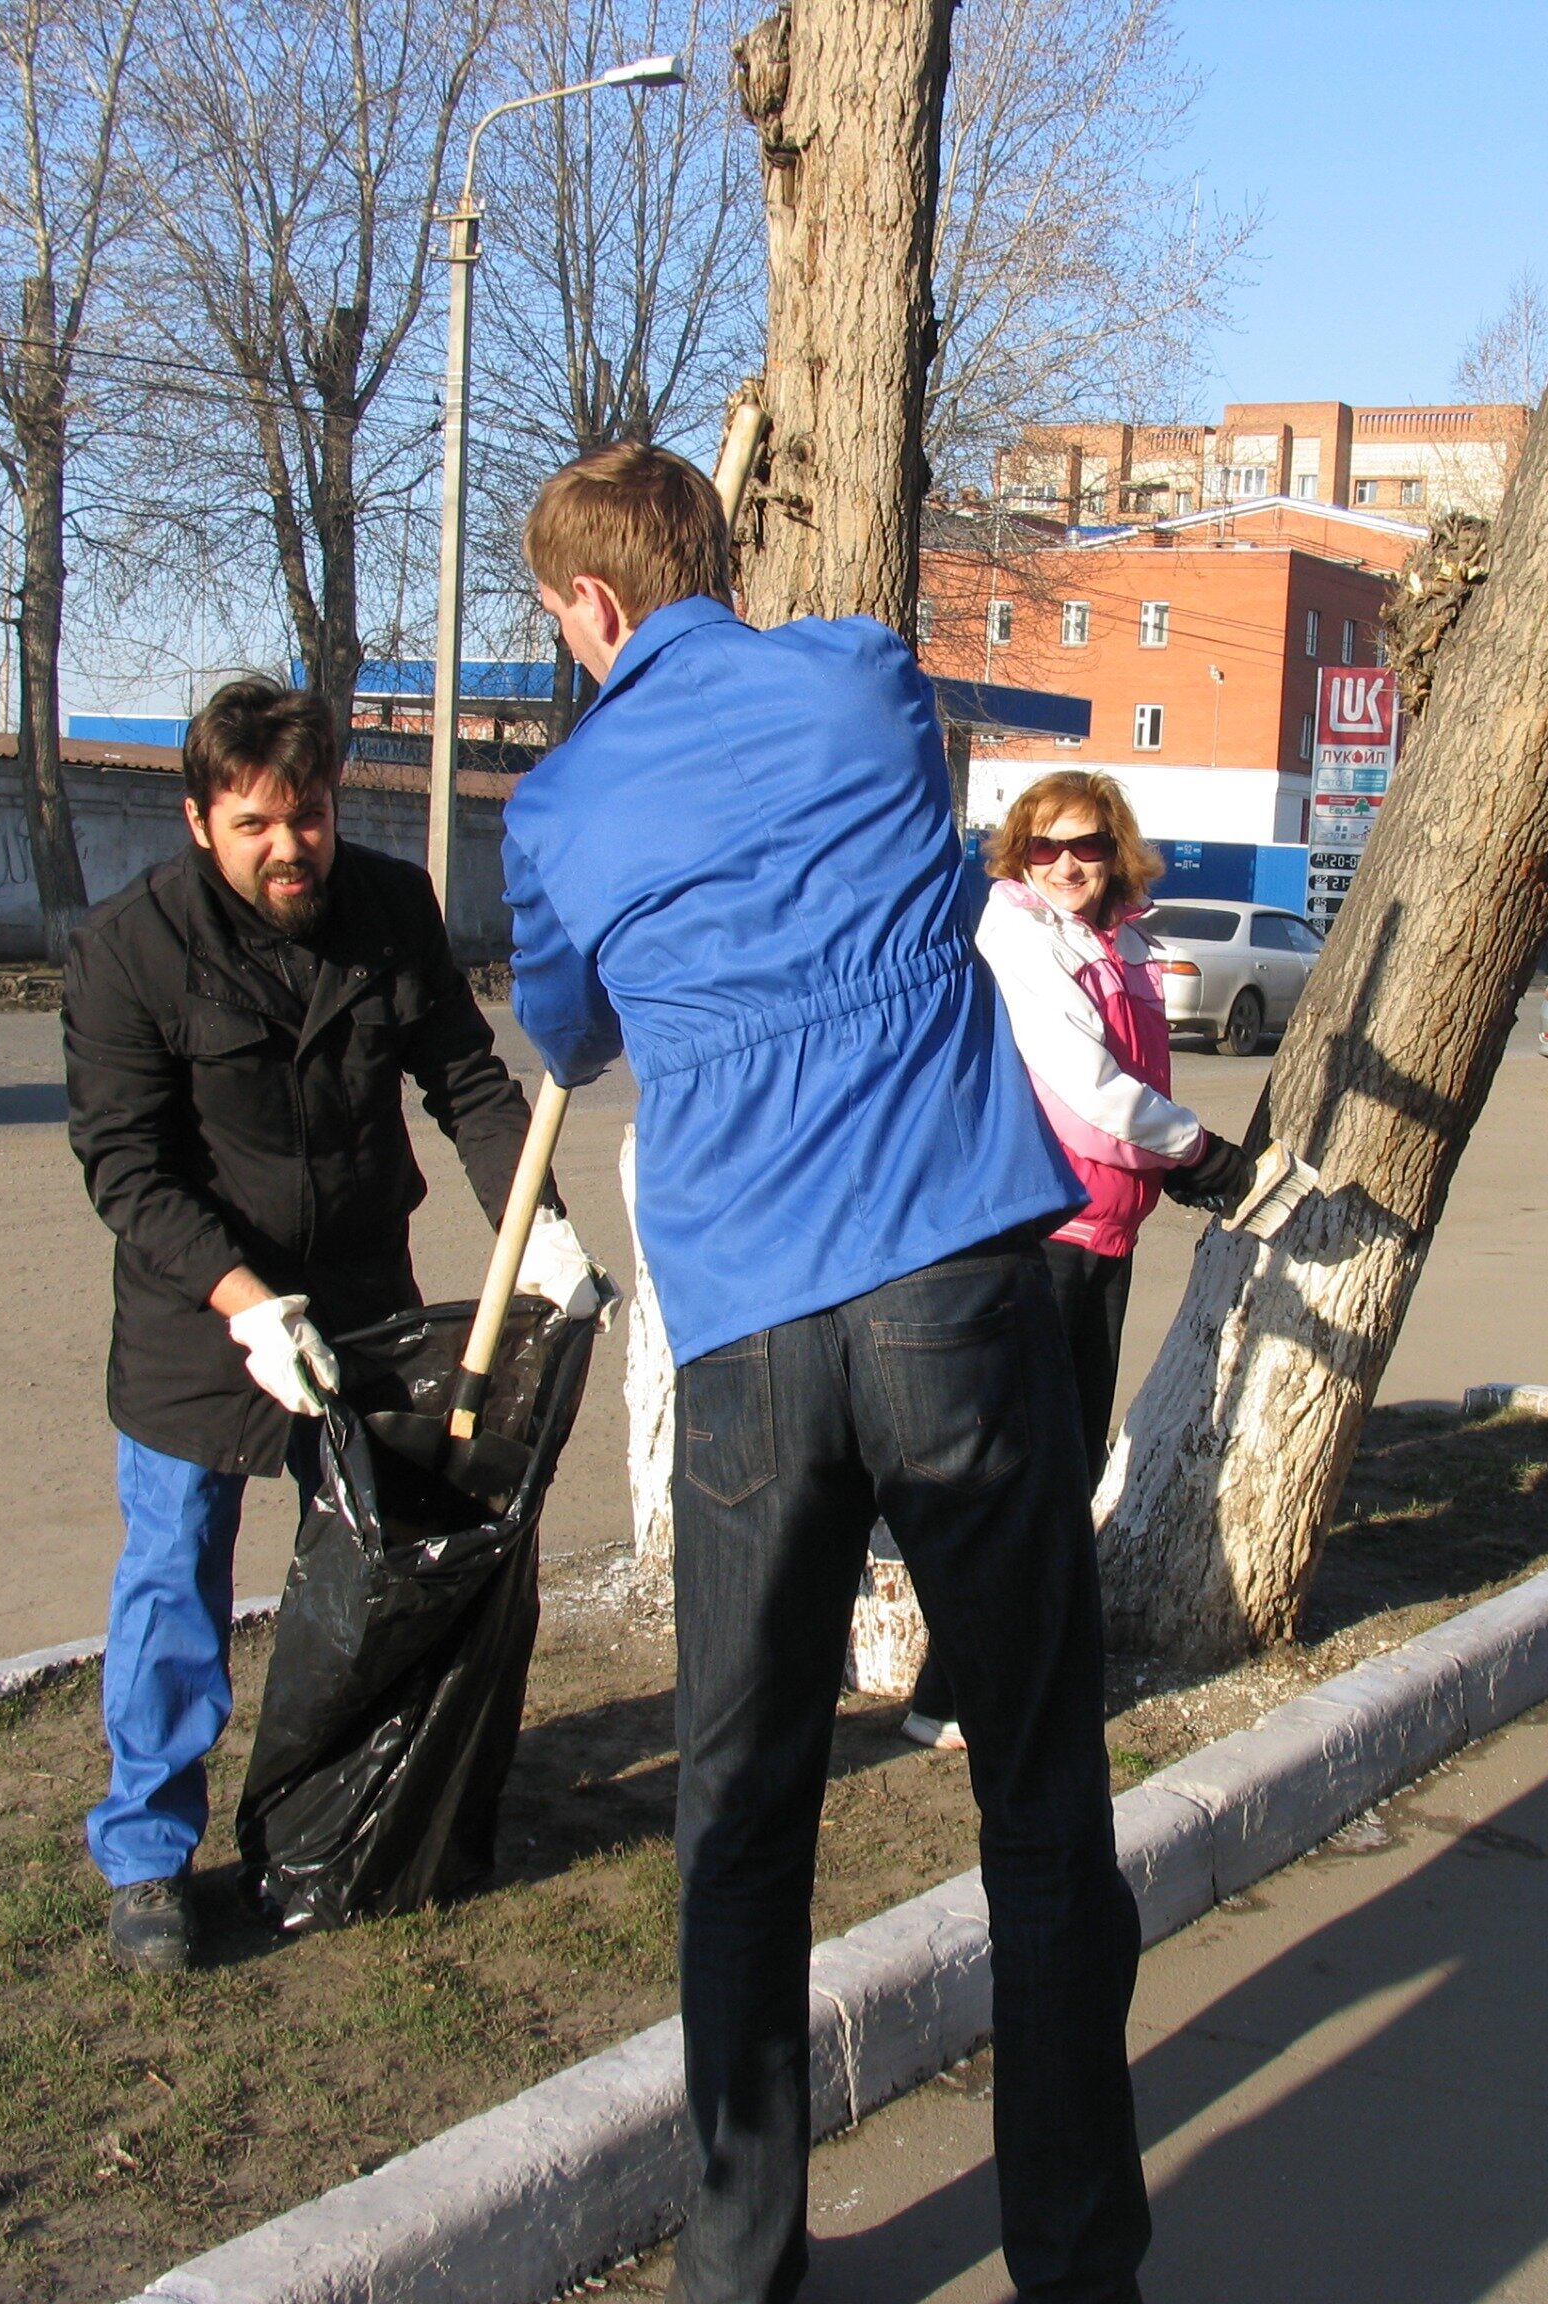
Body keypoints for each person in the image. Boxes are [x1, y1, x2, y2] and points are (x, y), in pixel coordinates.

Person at [499, 443, 1148, 2304]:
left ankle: (738, 2258)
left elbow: (566, 1025)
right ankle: (1078, 2260)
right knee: (1035, 1786)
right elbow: (922, 870)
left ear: (594, 608)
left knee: (743, 1802)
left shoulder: (559, 805)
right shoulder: (866, 678)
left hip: (755, 1341)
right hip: (952, 1285)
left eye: (559, 616)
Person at [62, 679, 598, 1973]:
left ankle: (338, 1815)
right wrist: (246, 1308)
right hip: (204, 1325)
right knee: (172, 1589)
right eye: (253, 823)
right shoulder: (131, 947)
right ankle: (147, 1854)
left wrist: (548, 1230)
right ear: (201, 822)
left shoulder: (386, 909)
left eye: (304, 816)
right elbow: (127, 1166)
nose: (287, 846)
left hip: (364, 1307)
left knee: (369, 1577)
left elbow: (464, 1082)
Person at [891, 772, 1255, 1752]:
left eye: (1087, 846)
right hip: (1034, 1235)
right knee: (1026, 1470)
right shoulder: (1018, 935)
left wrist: (1168, 1167)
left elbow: (1129, 1080)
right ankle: (959, 1693)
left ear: (1115, 850)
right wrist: (1200, 1151)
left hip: (1102, 1236)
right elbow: (1087, 1084)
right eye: (1044, 846)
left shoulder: (1118, 940)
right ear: (1017, 852)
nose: (1065, 865)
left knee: (1063, 1466)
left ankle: (983, 1685)